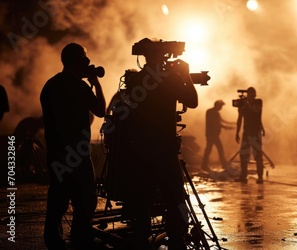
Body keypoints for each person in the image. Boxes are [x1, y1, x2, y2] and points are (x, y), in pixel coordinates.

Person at [112, 38, 198, 249]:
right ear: (163, 57)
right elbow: (193, 102)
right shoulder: (173, 78)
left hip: (141, 151)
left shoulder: (135, 80)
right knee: (175, 199)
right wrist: (185, 75)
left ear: (145, 58)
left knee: (142, 201)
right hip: (165, 151)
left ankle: (141, 239)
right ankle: (177, 240)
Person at [40, 43, 106, 249]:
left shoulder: (50, 85)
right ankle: (80, 237)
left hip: (56, 152)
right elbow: (101, 110)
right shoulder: (78, 87)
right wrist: (96, 83)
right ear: (79, 61)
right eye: (84, 59)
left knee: (58, 197)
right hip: (77, 153)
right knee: (85, 197)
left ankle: (53, 239)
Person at [235, 87, 265, 184]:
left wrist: (247, 104)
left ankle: (260, 177)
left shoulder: (258, 102)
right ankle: (243, 176)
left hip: (256, 132)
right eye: (249, 95)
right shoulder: (244, 105)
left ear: (255, 95)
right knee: (243, 155)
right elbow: (240, 119)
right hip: (247, 132)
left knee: (257, 155)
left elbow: (256, 111)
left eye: (252, 94)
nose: (250, 96)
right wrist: (237, 132)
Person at [200, 100, 234, 171]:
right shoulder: (210, 112)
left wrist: (232, 123)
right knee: (216, 149)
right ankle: (223, 164)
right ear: (217, 105)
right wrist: (227, 127)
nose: (221, 108)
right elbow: (216, 122)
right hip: (211, 135)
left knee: (211, 149)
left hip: (214, 135)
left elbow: (221, 120)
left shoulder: (215, 112)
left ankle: (204, 165)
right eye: (221, 106)